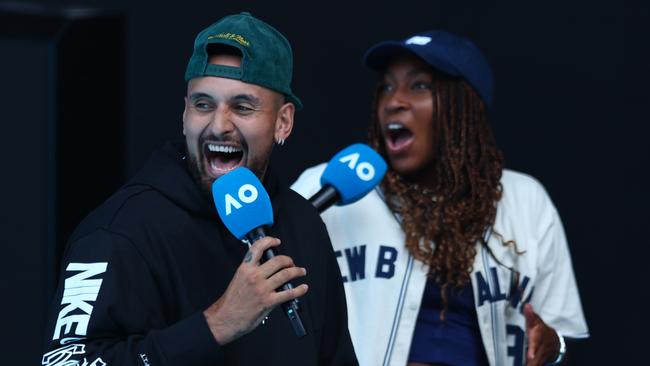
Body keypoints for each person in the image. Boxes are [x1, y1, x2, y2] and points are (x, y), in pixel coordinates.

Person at [42, 12, 357, 366]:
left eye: (242, 106)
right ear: (184, 114)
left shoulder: (304, 224)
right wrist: (215, 325)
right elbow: (65, 361)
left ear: (283, 122)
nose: (219, 126)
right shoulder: (120, 230)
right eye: (203, 104)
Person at [292, 30, 589, 366]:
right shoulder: (328, 186)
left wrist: (554, 346)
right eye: (386, 87)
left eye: (419, 86)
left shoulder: (526, 201)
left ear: (465, 107)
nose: (394, 101)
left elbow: (559, 334)